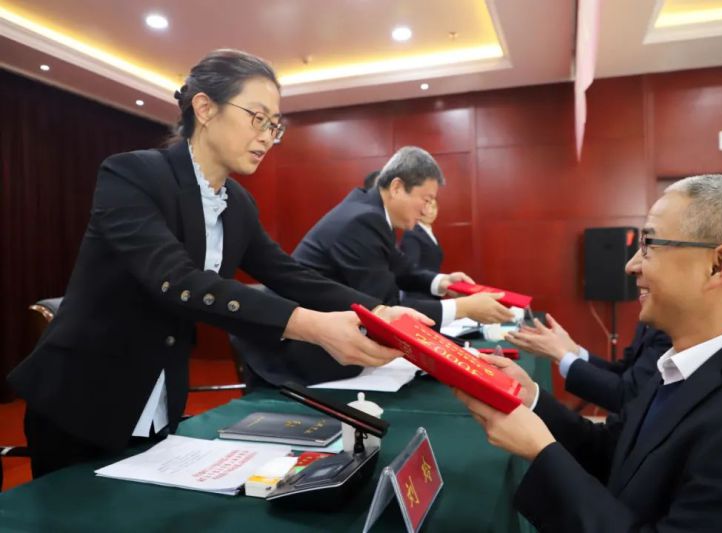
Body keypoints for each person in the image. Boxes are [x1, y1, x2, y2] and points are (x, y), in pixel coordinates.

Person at [8, 49, 428, 478]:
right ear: (205, 108)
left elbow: (289, 274)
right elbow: (176, 280)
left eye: (274, 125)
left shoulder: (237, 203)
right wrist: (312, 326)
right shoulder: (132, 175)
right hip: (81, 398)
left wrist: (377, 312)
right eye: (257, 118)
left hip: (158, 399)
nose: (267, 137)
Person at [456, 174, 722, 531]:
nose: (631, 265)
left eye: (649, 244)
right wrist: (531, 400)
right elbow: (616, 452)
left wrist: (542, 452)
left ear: (716, 266)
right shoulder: (686, 358)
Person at [292, 146, 514, 327]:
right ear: (397, 187)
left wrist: (444, 283)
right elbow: (385, 308)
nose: (426, 211)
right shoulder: (363, 221)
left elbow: (404, 270)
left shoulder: (373, 212)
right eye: (426, 200)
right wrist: (463, 308)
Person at [506, 314, 671, 413]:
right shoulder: (650, 316)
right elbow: (623, 372)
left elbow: (628, 396)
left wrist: (561, 354)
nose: (631, 269)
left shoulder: (669, 327)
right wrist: (573, 351)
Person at [399, 198, 444, 301]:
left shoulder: (428, 232)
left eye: (434, 207)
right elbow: (410, 269)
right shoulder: (412, 234)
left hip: (431, 292)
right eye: (426, 207)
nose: (431, 211)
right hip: (419, 295)